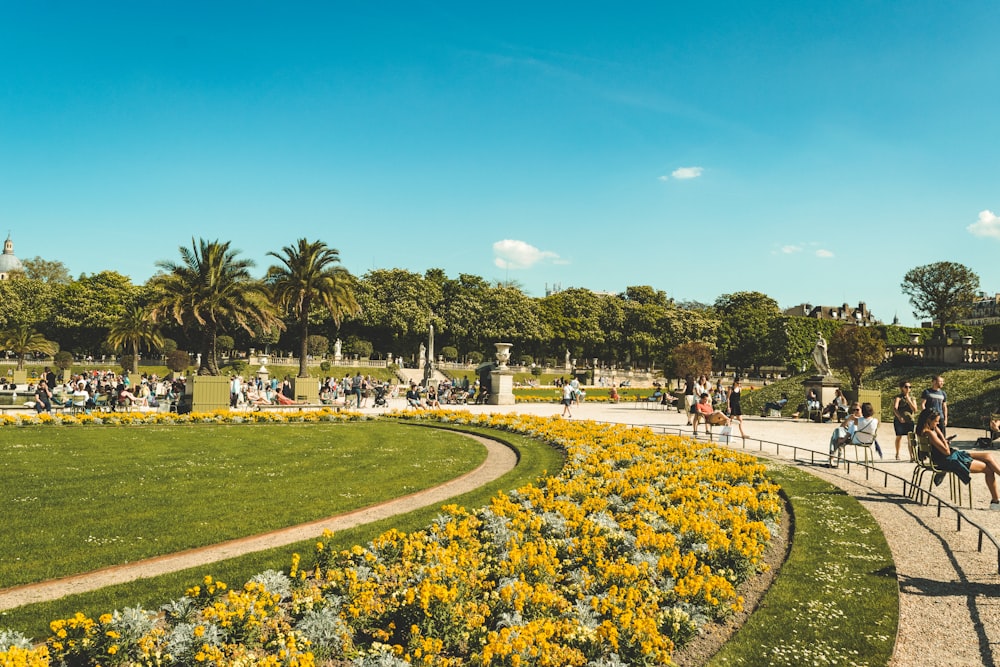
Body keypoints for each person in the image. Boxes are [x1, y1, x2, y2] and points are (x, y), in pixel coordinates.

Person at [916, 408, 1000, 509]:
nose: (938, 423)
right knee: (989, 469)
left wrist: (942, 439)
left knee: (988, 456)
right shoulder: (929, 433)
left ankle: (996, 502)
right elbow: (946, 451)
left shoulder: (923, 431)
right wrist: (943, 439)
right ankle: (996, 502)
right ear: (928, 420)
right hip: (949, 460)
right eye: (936, 421)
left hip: (950, 456)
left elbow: (941, 449)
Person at [829, 402, 862, 467]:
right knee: (837, 431)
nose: (855, 411)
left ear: (861, 410)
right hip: (845, 434)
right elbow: (841, 426)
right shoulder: (849, 416)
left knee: (835, 438)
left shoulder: (862, 419)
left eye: (857, 410)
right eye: (853, 410)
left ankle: (832, 457)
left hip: (854, 435)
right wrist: (848, 419)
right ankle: (840, 447)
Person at [893, 380, 918, 460]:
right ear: (901, 388)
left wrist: (909, 400)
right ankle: (897, 453)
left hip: (909, 420)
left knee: (910, 438)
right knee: (899, 436)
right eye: (906, 387)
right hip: (899, 420)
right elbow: (895, 408)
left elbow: (915, 409)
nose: (908, 389)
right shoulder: (898, 397)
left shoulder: (912, 398)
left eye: (909, 387)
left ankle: (912, 456)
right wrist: (899, 417)